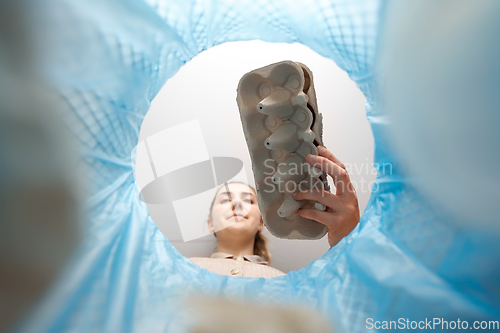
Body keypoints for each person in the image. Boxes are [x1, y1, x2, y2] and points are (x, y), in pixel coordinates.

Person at [190, 146, 359, 278]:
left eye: (248, 200)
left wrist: (348, 241)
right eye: (225, 200)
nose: (237, 204)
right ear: (210, 224)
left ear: (262, 222)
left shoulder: (286, 283)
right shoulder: (182, 268)